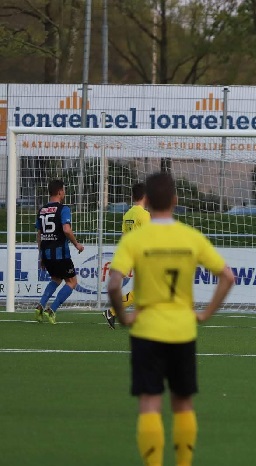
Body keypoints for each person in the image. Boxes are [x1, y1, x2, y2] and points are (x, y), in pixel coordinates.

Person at [107, 172, 235, 466]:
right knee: (182, 403)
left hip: (146, 331)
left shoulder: (136, 239)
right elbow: (227, 276)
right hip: (182, 330)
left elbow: (114, 284)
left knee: (150, 403)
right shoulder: (190, 237)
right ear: (176, 201)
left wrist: (124, 316)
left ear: (147, 202)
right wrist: (205, 313)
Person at [34, 179, 85, 324]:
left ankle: (40, 306)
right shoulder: (64, 209)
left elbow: (39, 235)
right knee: (72, 282)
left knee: (56, 279)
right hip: (60, 253)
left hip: (46, 253)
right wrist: (77, 245)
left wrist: (41, 257)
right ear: (59, 192)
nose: (64, 192)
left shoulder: (42, 210)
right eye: (63, 190)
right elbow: (66, 230)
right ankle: (52, 309)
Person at [103, 182, 150, 329]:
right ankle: (112, 311)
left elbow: (124, 237)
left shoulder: (128, 214)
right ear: (146, 197)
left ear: (132, 196)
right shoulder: (145, 215)